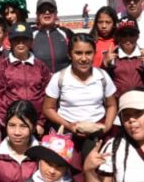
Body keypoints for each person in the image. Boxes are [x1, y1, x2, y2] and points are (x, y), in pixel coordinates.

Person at [43, 34, 118, 174]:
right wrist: (68, 126)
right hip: (68, 137)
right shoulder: (59, 78)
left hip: (98, 136)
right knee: (72, 177)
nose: (84, 58)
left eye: (88, 53)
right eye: (78, 53)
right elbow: (48, 108)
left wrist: (107, 126)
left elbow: (112, 105)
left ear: (94, 54)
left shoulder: (102, 76)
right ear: (70, 54)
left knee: (97, 174)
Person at [0, 23, 52, 131]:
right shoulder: (2, 67)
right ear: (10, 42)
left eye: (25, 39)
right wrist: (8, 125)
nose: (20, 43)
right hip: (13, 126)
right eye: (16, 40)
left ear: (31, 42)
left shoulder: (41, 67)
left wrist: (40, 122)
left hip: (36, 125)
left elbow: (48, 96)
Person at [102, 18, 144, 100]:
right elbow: (103, 82)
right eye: (123, 35)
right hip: (119, 103)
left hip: (141, 102)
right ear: (118, 37)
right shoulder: (112, 56)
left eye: (131, 34)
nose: (128, 38)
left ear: (137, 36)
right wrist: (104, 65)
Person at [31, 0, 74, 74]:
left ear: (56, 13)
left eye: (51, 9)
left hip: (63, 82)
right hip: (41, 84)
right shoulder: (30, 34)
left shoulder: (66, 33)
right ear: (37, 14)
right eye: (42, 10)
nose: (47, 12)